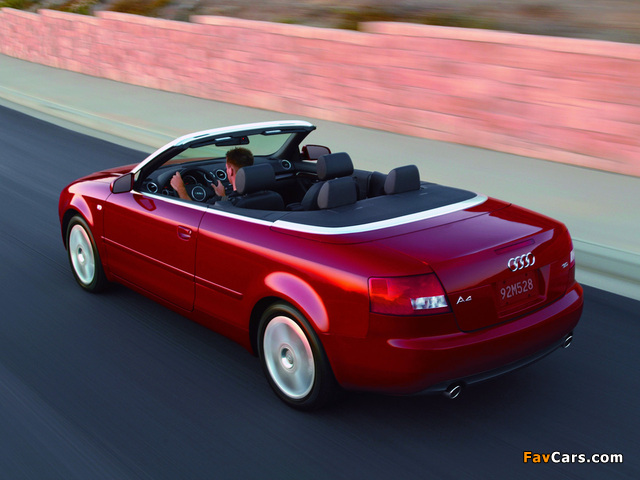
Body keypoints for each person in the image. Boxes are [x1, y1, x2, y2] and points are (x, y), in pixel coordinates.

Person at [170, 147, 254, 202]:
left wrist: (180, 188)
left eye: (226, 168)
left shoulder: (228, 204)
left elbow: (193, 216)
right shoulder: (257, 194)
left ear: (231, 171)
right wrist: (222, 196)